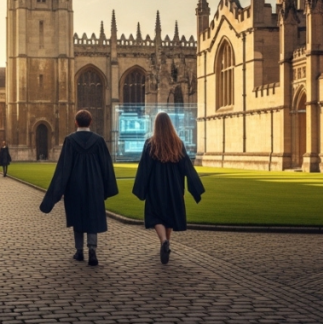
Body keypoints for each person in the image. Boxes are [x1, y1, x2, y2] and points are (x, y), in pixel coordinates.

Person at [40, 110, 118, 266]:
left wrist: (58, 191)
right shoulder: (99, 141)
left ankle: (79, 251)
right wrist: (107, 187)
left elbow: (63, 168)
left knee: (77, 215)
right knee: (93, 216)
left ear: (76, 122)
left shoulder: (70, 141)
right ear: (90, 122)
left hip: (75, 185)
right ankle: (93, 250)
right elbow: (106, 167)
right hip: (95, 185)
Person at [132, 112, 205, 264]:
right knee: (171, 214)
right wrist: (193, 189)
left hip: (155, 186)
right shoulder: (178, 143)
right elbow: (187, 167)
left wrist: (141, 188)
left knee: (155, 215)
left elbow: (144, 168)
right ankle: (166, 243)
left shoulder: (150, 144)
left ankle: (163, 241)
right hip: (174, 186)